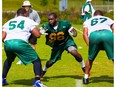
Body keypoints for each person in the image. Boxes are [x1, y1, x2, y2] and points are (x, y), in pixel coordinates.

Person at [2, 8, 46, 87]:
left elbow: (2, 37)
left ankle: (2, 79)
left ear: (17, 14)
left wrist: (9, 44)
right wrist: (40, 32)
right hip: (20, 43)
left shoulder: (9, 22)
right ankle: (37, 81)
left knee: (9, 60)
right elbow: (37, 35)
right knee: (36, 60)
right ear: (25, 14)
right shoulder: (28, 20)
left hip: (7, 43)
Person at [39, 12, 86, 76]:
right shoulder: (46, 26)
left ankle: (84, 67)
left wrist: (74, 32)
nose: (50, 21)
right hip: (57, 45)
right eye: (49, 19)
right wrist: (40, 32)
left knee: (74, 52)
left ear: (56, 19)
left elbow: (74, 33)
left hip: (67, 42)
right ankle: (43, 70)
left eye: (51, 19)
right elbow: (39, 32)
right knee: (50, 62)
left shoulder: (64, 23)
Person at [83, 10, 114, 84]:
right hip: (107, 34)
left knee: (90, 58)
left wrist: (89, 44)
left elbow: (85, 34)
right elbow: (114, 28)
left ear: (94, 15)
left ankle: (86, 77)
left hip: (94, 35)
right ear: (102, 15)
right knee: (114, 58)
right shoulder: (107, 18)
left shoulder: (88, 20)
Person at [16, 0, 41, 64]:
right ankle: (21, 59)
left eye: (28, 6)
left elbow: (38, 20)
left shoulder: (34, 12)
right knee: (22, 44)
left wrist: (34, 27)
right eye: (25, 6)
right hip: (23, 31)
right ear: (23, 7)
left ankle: (32, 58)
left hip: (32, 31)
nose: (27, 7)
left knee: (32, 44)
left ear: (30, 6)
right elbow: (16, 20)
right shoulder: (19, 13)